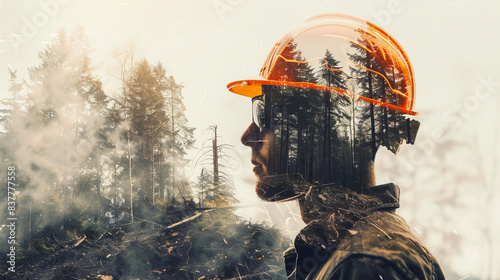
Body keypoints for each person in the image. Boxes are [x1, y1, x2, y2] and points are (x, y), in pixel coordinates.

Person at [227, 14, 445, 279]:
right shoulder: (342, 256)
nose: (247, 137)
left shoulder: (369, 263)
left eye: (265, 115)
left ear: (326, 130)